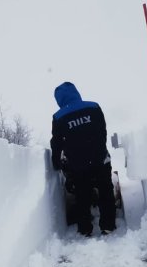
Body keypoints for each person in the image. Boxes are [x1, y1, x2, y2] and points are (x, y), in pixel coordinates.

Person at [50, 82, 116, 236]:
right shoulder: (93, 107)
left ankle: (85, 229)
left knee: (82, 196)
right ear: (76, 92)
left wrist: (56, 163)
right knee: (106, 190)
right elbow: (103, 130)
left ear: (59, 100)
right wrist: (99, 149)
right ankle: (108, 225)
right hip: (100, 159)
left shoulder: (58, 117)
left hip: (77, 165)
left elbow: (57, 143)